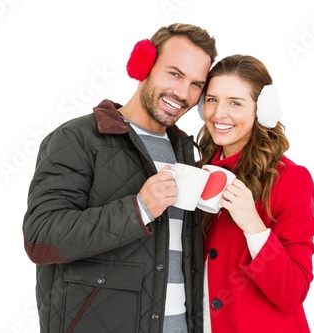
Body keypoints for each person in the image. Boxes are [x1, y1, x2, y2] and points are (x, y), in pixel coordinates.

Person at [22, 23, 217, 333]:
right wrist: (139, 208)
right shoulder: (77, 138)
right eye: (175, 74)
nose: (183, 93)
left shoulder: (188, 153)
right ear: (144, 65)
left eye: (196, 84)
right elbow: (41, 238)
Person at [196, 54, 314, 333]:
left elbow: (292, 291)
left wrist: (253, 225)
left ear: (262, 109)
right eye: (212, 99)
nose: (218, 114)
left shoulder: (290, 180)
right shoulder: (196, 173)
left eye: (235, 103)